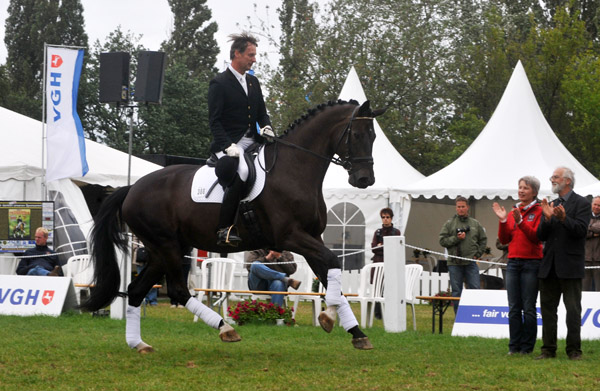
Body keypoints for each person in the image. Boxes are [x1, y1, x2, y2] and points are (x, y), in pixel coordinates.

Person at [208, 32, 273, 247]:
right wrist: (227, 145)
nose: (254, 59)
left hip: (251, 140)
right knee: (243, 171)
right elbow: (214, 121)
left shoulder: (253, 82)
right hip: (227, 143)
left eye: (255, 55)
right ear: (237, 54)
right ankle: (224, 229)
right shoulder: (219, 83)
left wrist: (266, 127)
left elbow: (261, 113)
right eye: (250, 55)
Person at [536, 167, 591, 360]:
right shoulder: (552, 203)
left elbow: (581, 231)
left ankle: (574, 350)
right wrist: (547, 218)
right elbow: (541, 236)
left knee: (573, 310)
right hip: (549, 266)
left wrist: (564, 218)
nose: (552, 179)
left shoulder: (582, 203)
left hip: (570, 266)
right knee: (548, 310)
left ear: (567, 181)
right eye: (552, 177)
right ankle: (548, 350)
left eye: (556, 177)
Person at [492, 176, 543, 356]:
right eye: (520, 187)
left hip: (531, 262)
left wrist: (520, 222)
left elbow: (536, 237)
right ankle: (513, 347)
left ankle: (527, 348)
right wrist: (503, 221)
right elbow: (505, 240)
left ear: (534, 192)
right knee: (513, 307)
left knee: (528, 307)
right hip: (513, 262)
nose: (521, 191)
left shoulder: (539, 211)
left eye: (525, 188)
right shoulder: (515, 210)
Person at [439, 196, 487, 312]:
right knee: (456, 291)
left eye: (463, 207)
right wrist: (456, 238)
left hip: (470, 262)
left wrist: (478, 254)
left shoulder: (475, 224)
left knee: (475, 289)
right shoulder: (449, 223)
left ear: (468, 208)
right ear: (456, 208)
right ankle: (458, 318)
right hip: (454, 263)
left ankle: (475, 316)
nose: (460, 209)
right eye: (458, 207)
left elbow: (483, 240)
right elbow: (442, 241)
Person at [370, 207, 401, 319]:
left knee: (391, 289)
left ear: (391, 218)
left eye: (387, 217)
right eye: (383, 217)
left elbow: (395, 248)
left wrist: (381, 246)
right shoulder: (377, 232)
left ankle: (390, 312)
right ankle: (378, 314)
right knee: (378, 289)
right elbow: (373, 248)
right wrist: (382, 247)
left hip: (391, 263)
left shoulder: (396, 232)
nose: (385, 219)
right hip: (378, 262)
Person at [583, 196, 600, 291]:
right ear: (591, 204)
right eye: (595, 204)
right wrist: (594, 234)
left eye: (599, 205)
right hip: (586, 258)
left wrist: (588, 226)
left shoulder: (586, 220)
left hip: (598, 260)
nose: (597, 207)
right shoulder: (584, 215)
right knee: (584, 289)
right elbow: (581, 232)